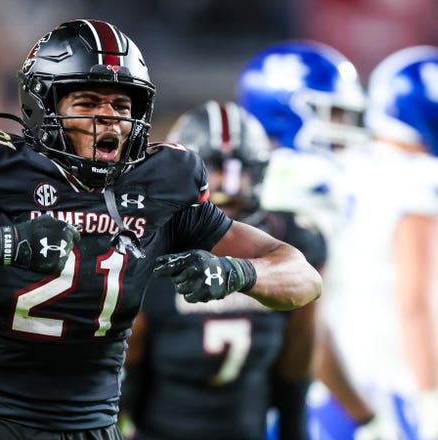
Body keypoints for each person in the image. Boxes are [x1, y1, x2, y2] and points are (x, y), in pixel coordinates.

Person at [0, 19, 321, 440]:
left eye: (122, 104)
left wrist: (234, 274)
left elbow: (301, 276)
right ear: (44, 105)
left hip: (95, 427)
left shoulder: (163, 182)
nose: (109, 118)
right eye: (88, 102)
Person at [120, 100, 323, 440]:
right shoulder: (149, 239)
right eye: (213, 167)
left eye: (239, 168)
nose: (229, 185)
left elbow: (297, 357)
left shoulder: (290, 238)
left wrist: (237, 272)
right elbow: (124, 373)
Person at [236, 40, 395, 439]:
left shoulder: (259, 179)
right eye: (331, 112)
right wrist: (363, 413)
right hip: (308, 390)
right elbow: (307, 322)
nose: (343, 124)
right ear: (282, 110)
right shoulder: (302, 186)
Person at [313, 45, 438, 440]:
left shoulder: (351, 166)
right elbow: (416, 302)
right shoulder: (417, 179)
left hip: (340, 377)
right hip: (396, 379)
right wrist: (431, 396)